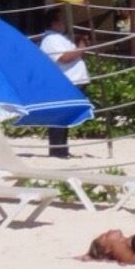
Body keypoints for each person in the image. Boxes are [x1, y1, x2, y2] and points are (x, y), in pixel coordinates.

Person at [37, 11, 90, 159]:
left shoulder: (59, 38)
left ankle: (62, 149)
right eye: (61, 21)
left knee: (65, 118)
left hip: (72, 81)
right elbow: (64, 57)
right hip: (65, 82)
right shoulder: (51, 39)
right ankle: (57, 150)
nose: (64, 24)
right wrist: (81, 46)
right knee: (59, 117)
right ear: (53, 23)